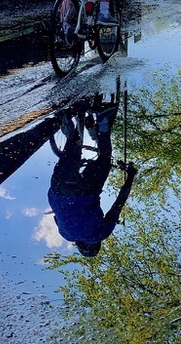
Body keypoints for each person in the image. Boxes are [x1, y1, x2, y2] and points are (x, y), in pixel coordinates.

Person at [47, 95, 137, 257]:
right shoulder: (66, 235)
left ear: (96, 244)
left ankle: (102, 122)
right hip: (57, 191)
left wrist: (130, 176)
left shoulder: (100, 235)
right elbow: (57, 218)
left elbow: (119, 203)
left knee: (104, 158)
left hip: (85, 192)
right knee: (73, 148)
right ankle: (68, 120)